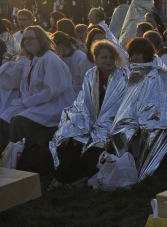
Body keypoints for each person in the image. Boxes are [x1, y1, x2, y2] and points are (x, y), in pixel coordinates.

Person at [0, 26, 75, 174]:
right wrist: (24, 101)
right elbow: (26, 87)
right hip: (38, 103)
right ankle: (2, 162)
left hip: (54, 106)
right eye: (25, 39)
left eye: (31, 38)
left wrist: (28, 103)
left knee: (18, 121)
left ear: (41, 40)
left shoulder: (50, 59)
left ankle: (21, 164)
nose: (27, 41)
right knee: (3, 118)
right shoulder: (33, 60)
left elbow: (51, 90)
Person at [51, 39, 128, 185]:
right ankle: (60, 176)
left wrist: (101, 123)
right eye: (104, 57)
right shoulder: (91, 75)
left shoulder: (122, 76)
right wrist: (84, 121)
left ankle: (87, 176)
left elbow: (122, 104)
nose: (109, 60)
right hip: (90, 118)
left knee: (99, 141)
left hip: (114, 121)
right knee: (74, 135)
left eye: (111, 57)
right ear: (96, 59)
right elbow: (83, 100)